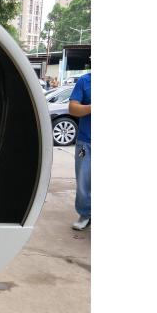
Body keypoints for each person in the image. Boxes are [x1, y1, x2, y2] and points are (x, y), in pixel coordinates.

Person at [68, 73, 91, 230]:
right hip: (87, 141)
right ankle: (85, 214)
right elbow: (73, 108)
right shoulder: (85, 81)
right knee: (84, 181)